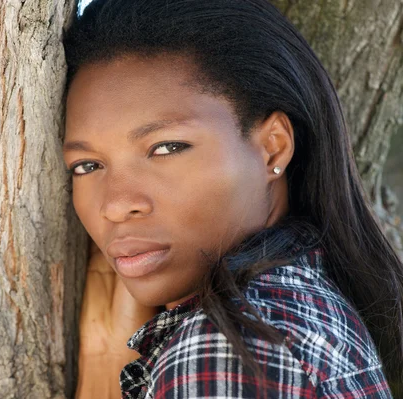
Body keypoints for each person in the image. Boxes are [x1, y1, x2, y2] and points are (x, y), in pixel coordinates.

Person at [61, 0, 403, 397]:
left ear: (273, 148)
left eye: (167, 147)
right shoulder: (307, 308)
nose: (116, 205)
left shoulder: (228, 349)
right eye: (87, 166)